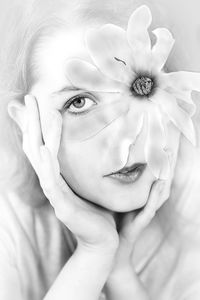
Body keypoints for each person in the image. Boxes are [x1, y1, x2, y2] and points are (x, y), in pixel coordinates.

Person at [1, 0, 200, 299]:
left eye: (138, 89)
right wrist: (95, 252)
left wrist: (119, 273)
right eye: (78, 103)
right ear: (27, 125)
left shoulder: (193, 200)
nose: (124, 139)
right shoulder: (9, 224)